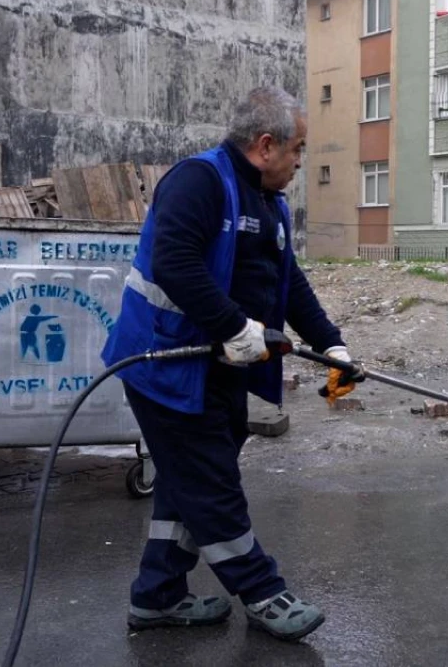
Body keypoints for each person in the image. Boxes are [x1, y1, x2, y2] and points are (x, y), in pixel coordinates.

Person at [101, 86, 359, 642]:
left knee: (187, 484)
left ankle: (157, 597)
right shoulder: (199, 182)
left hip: (217, 369)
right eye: (297, 150)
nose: (299, 162)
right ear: (266, 146)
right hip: (165, 365)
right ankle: (263, 591)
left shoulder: (270, 203)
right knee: (212, 486)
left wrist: (332, 345)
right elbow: (174, 263)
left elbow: (289, 285)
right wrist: (234, 327)